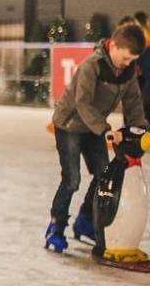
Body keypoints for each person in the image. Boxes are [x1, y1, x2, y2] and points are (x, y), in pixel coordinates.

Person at [45, 24, 148, 252]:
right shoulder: (93, 65)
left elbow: (133, 102)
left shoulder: (128, 71)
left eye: (133, 60)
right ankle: (56, 227)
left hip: (94, 128)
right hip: (70, 124)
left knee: (103, 174)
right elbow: (82, 102)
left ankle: (85, 221)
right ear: (114, 45)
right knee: (72, 180)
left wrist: (139, 127)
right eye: (126, 58)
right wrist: (105, 129)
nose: (128, 63)